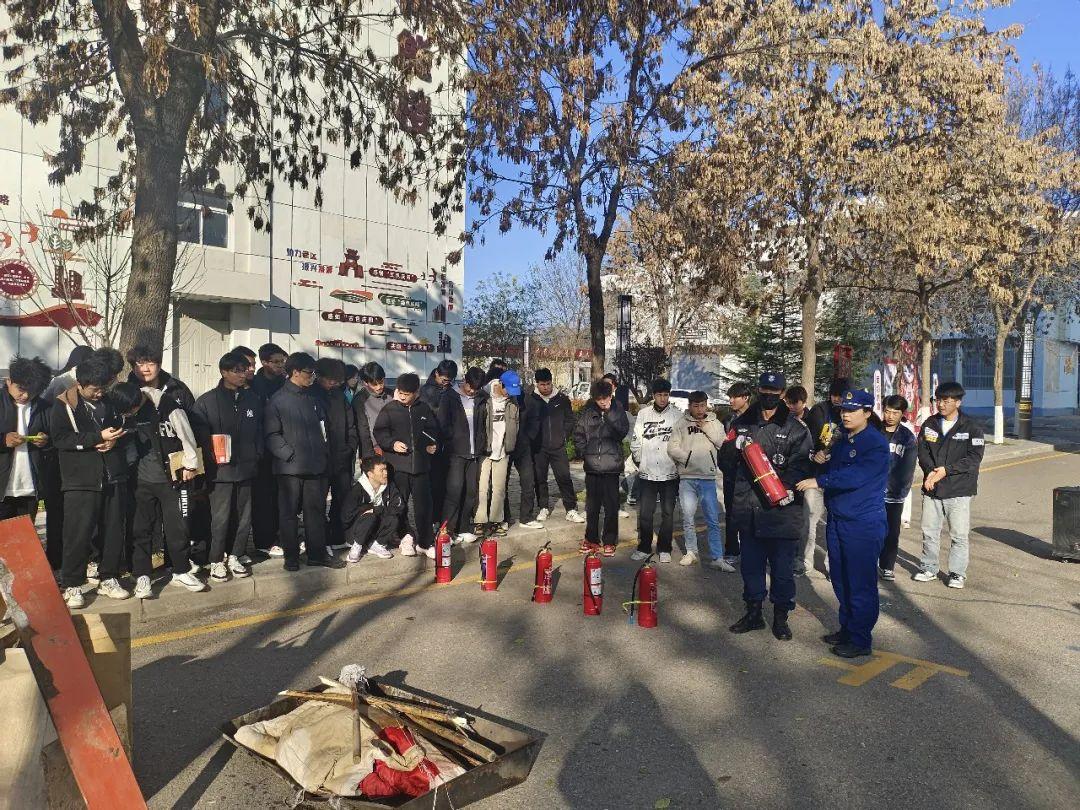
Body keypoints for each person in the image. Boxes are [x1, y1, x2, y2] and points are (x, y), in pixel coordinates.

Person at [797, 389, 890, 658]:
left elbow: (855, 476)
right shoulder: (842, 440)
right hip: (838, 519)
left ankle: (860, 639)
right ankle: (848, 628)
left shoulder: (874, 443)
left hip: (862, 522)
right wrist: (820, 460)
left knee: (860, 582)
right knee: (840, 578)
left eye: (852, 410)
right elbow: (833, 469)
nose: (846, 415)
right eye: (843, 410)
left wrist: (819, 480)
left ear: (867, 413)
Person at [725, 372, 814, 641]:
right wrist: (733, 447)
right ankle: (753, 613)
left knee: (782, 570)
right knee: (751, 567)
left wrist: (782, 487)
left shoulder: (796, 428)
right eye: (765, 389)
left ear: (782, 393)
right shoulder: (742, 423)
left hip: (781, 512)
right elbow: (725, 463)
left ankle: (780, 617)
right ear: (758, 390)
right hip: (749, 509)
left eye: (775, 391)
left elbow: (802, 465)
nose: (769, 395)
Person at [50, 357, 135, 608]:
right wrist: (96, 437)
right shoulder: (63, 404)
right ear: (80, 384)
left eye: (103, 388)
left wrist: (114, 440)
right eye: (94, 389)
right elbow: (61, 439)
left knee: (113, 530)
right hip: (80, 480)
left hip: (113, 475)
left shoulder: (110, 402)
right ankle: (72, 583)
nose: (99, 393)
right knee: (77, 534)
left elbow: (125, 426)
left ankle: (109, 577)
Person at [115, 375, 207, 597]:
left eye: (131, 411)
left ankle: (181, 570)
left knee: (178, 528)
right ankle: (142, 575)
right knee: (141, 529)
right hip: (140, 480)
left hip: (173, 479)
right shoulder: (123, 407)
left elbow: (186, 434)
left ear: (137, 402)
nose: (129, 416)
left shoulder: (166, 404)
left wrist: (191, 464)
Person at [265, 352, 342, 571]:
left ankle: (316, 554)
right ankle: (291, 557)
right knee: (289, 515)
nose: (312, 377)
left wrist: (324, 453)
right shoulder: (278, 400)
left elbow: (324, 429)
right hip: (290, 468)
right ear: (295, 372)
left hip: (316, 466)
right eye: (309, 373)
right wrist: (288, 454)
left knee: (316, 513)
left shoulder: (314, 398)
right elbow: (271, 434)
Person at [193, 352, 264, 582]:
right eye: (237, 371)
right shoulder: (207, 401)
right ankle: (216, 559)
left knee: (243, 516)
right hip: (220, 472)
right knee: (220, 518)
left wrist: (257, 454)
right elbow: (199, 437)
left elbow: (260, 431)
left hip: (246, 468)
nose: (242, 375)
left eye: (245, 370)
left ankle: (236, 555)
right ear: (224, 372)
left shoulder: (253, 400)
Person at [914, 381, 985, 589]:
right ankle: (929, 568)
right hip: (932, 487)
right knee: (929, 532)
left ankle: (957, 573)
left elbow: (974, 458)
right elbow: (923, 451)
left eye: (946, 400)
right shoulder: (930, 424)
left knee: (959, 535)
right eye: (938, 400)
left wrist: (946, 470)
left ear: (958, 402)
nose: (941, 404)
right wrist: (930, 472)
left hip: (959, 489)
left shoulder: (971, 427)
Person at [373, 372, 439, 558]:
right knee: (399, 505)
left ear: (416, 392)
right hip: (398, 467)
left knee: (424, 507)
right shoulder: (389, 409)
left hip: (421, 467)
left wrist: (431, 444)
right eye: (400, 392)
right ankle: (405, 538)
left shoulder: (424, 409)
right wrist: (392, 444)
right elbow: (380, 432)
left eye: (407, 394)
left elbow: (432, 431)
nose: (402, 396)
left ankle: (425, 542)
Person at [668, 390, 731, 570]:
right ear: (689, 406)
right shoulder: (681, 423)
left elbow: (723, 443)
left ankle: (717, 557)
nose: (699, 409)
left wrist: (706, 428)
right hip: (687, 477)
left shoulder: (715, 423)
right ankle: (691, 552)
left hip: (708, 477)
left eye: (702, 405)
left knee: (712, 519)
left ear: (706, 405)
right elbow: (672, 448)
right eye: (695, 406)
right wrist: (687, 458)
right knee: (688, 517)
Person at [572, 379, 629, 556]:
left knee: (611, 506)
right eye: (599, 399)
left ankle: (610, 541)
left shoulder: (618, 410)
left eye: (606, 398)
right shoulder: (588, 412)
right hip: (592, 466)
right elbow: (578, 434)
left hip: (611, 467)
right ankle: (591, 539)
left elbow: (622, 432)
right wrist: (584, 453)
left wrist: (609, 415)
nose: (603, 402)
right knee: (592, 506)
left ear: (611, 396)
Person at [799, 377, 849, 577]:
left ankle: (833, 565)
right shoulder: (819, 411)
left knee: (836, 523)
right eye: (834, 395)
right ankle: (805, 561)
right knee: (808, 520)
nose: (837, 399)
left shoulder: (854, 413)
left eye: (841, 396)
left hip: (838, 480)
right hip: (816, 476)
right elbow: (807, 440)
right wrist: (814, 454)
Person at [630, 379, 680, 563]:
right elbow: (636, 441)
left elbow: (681, 443)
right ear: (653, 395)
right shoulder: (643, 414)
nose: (663, 398)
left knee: (668, 513)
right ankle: (644, 547)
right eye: (659, 395)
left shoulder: (677, 416)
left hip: (669, 472)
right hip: (647, 472)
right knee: (645, 513)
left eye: (666, 395)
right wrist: (640, 460)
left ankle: (665, 548)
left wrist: (678, 464)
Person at [313, 357, 361, 550]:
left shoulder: (339, 396)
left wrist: (350, 447)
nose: (333, 383)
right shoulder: (310, 395)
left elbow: (351, 425)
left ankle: (338, 536)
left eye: (336, 380)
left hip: (341, 457)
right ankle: (319, 539)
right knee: (317, 502)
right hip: (318, 460)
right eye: (330, 379)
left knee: (342, 499)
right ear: (319, 376)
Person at [438, 367, 488, 544]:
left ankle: (464, 527)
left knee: (470, 492)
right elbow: (442, 424)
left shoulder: (481, 398)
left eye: (476, 389)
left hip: (474, 453)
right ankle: (447, 530)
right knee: (454, 492)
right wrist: (453, 440)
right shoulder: (449, 397)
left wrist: (481, 443)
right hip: (456, 453)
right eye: (470, 387)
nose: (472, 391)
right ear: (465, 381)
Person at [0, 356, 53, 520]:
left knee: (24, 534)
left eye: (32, 391)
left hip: (29, 487)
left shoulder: (44, 407)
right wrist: (3, 440)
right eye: (21, 389)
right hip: (2, 488)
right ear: (9, 381)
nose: (25, 395)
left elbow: (57, 439)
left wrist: (45, 441)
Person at [531, 368, 584, 524]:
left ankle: (571, 509)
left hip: (558, 446)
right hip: (539, 447)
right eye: (542, 385)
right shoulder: (531, 399)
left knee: (564, 477)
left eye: (548, 384)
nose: (546, 387)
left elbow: (570, 419)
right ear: (537, 384)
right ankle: (543, 507)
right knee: (540, 478)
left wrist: (563, 435)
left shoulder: (562, 399)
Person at [250, 343, 288, 556]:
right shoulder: (255, 385)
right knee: (263, 498)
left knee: (281, 497)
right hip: (262, 450)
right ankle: (263, 541)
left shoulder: (285, 383)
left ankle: (281, 535)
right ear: (264, 362)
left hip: (283, 448)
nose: (281, 365)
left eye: (283, 361)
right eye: (276, 362)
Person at [474, 371, 520, 537]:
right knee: (482, 488)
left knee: (499, 489)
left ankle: (496, 521)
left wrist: (510, 445)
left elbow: (516, 424)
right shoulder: (484, 398)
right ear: (500, 384)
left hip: (503, 450)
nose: (509, 394)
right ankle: (479, 521)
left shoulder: (513, 402)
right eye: (508, 390)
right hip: (485, 450)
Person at [877, 394, 917, 581]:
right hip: (871, 492)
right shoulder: (873, 431)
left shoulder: (907, 437)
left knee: (892, 532)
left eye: (895, 412)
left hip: (895, 494)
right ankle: (867, 562)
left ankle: (887, 566)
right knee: (870, 530)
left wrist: (899, 490)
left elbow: (908, 469)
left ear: (902, 414)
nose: (890, 416)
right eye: (887, 411)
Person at [502, 372, 543, 532]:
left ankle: (526, 517)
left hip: (523, 446)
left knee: (528, 481)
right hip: (503, 447)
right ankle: (503, 517)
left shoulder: (528, 400)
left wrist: (528, 438)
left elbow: (535, 420)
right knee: (501, 484)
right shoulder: (495, 400)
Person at [343, 456, 403, 563]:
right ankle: (357, 546)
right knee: (370, 517)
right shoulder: (357, 490)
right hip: (356, 532)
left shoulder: (389, 486)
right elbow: (346, 517)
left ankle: (377, 544)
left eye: (385, 469)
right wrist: (365, 510)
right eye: (381, 470)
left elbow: (399, 506)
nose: (386, 473)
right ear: (370, 474)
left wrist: (376, 509)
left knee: (393, 519)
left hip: (375, 529)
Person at [421, 359, 458, 522]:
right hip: (432, 444)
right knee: (434, 485)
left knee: (448, 485)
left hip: (450, 444)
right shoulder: (426, 391)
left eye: (449, 381)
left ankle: (446, 519)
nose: (446, 383)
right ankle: (434, 520)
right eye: (444, 380)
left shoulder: (452, 390)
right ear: (436, 373)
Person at [719, 381, 752, 564]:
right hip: (731, 474)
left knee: (750, 514)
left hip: (750, 476)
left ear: (745, 398)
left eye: (735, 397)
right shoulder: (728, 420)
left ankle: (751, 550)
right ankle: (732, 550)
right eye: (730, 397)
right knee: (731, 512)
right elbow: (723, 446)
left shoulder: (756, 419)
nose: (731, 400)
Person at [126, 344, 196, 410]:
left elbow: (193, 416)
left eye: (151, 364)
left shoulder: (178, 389)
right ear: (133, 368)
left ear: (159, 366)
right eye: (141, 365)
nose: (146, 369)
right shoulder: (126, 392)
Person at [354, 361, 392, 459]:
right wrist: (368, 456)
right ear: (365, 383)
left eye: (381, 382)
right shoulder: (360, 400)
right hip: (373, 450)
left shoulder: (391, 395)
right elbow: (363, 431)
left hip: (393, 446)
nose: (379, 387)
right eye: (374, 384)